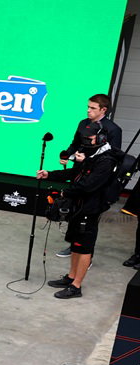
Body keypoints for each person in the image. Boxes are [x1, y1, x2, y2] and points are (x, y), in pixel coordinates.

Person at [40, 120, 117, 300]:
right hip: (79, 206)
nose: (86, 142)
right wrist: (50, 174)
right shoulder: (91, 154)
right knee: (75, 243)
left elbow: (88, 186)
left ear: (101, 138)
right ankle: (71, 277)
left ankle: (76, 286)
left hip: (90, 209)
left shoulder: (106, 160)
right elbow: (75, 174)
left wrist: (62, 192)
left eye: (89, 139)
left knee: (84, 247)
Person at [56, 94, 123, 260]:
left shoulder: (113, 130)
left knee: (88, 218)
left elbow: (113, 157)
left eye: (93, 108)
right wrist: (67, 155)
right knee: (75, 210)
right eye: (88, 107)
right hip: (79, 172)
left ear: (103, 110)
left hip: (96, 178)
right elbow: (75, 144)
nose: (88, 110)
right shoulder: (83, 123)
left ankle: (87, 254)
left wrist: (90, 161)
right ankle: (73, 245)